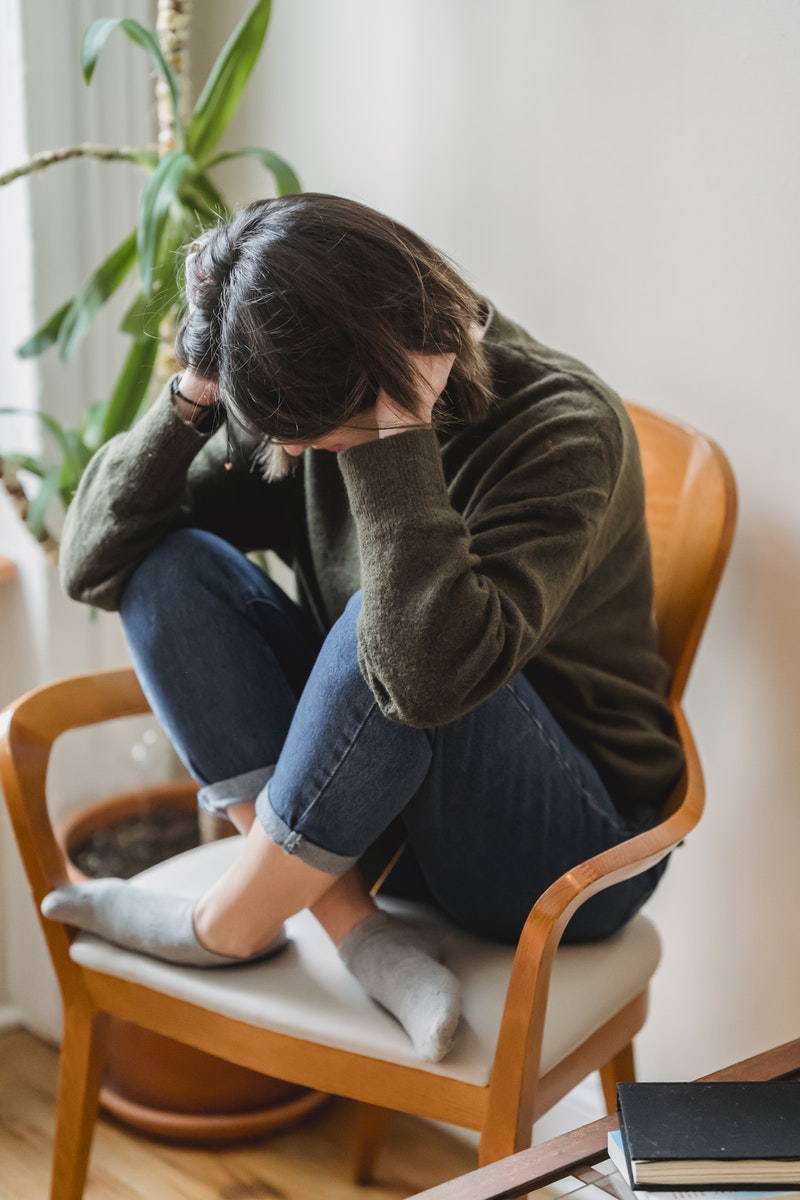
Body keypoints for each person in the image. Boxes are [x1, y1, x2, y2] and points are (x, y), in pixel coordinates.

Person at [42, 193, 685, 1062]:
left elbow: (421, 679)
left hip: (566, 857)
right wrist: (198, 389)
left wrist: (393, 439)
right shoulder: (308, 396)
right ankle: (357, 933)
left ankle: (224, 923)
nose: (297, 455)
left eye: (316, 437)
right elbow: (94, 563)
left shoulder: (563, 427)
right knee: (166, 566)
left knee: (390, 629)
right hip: (372, 817)